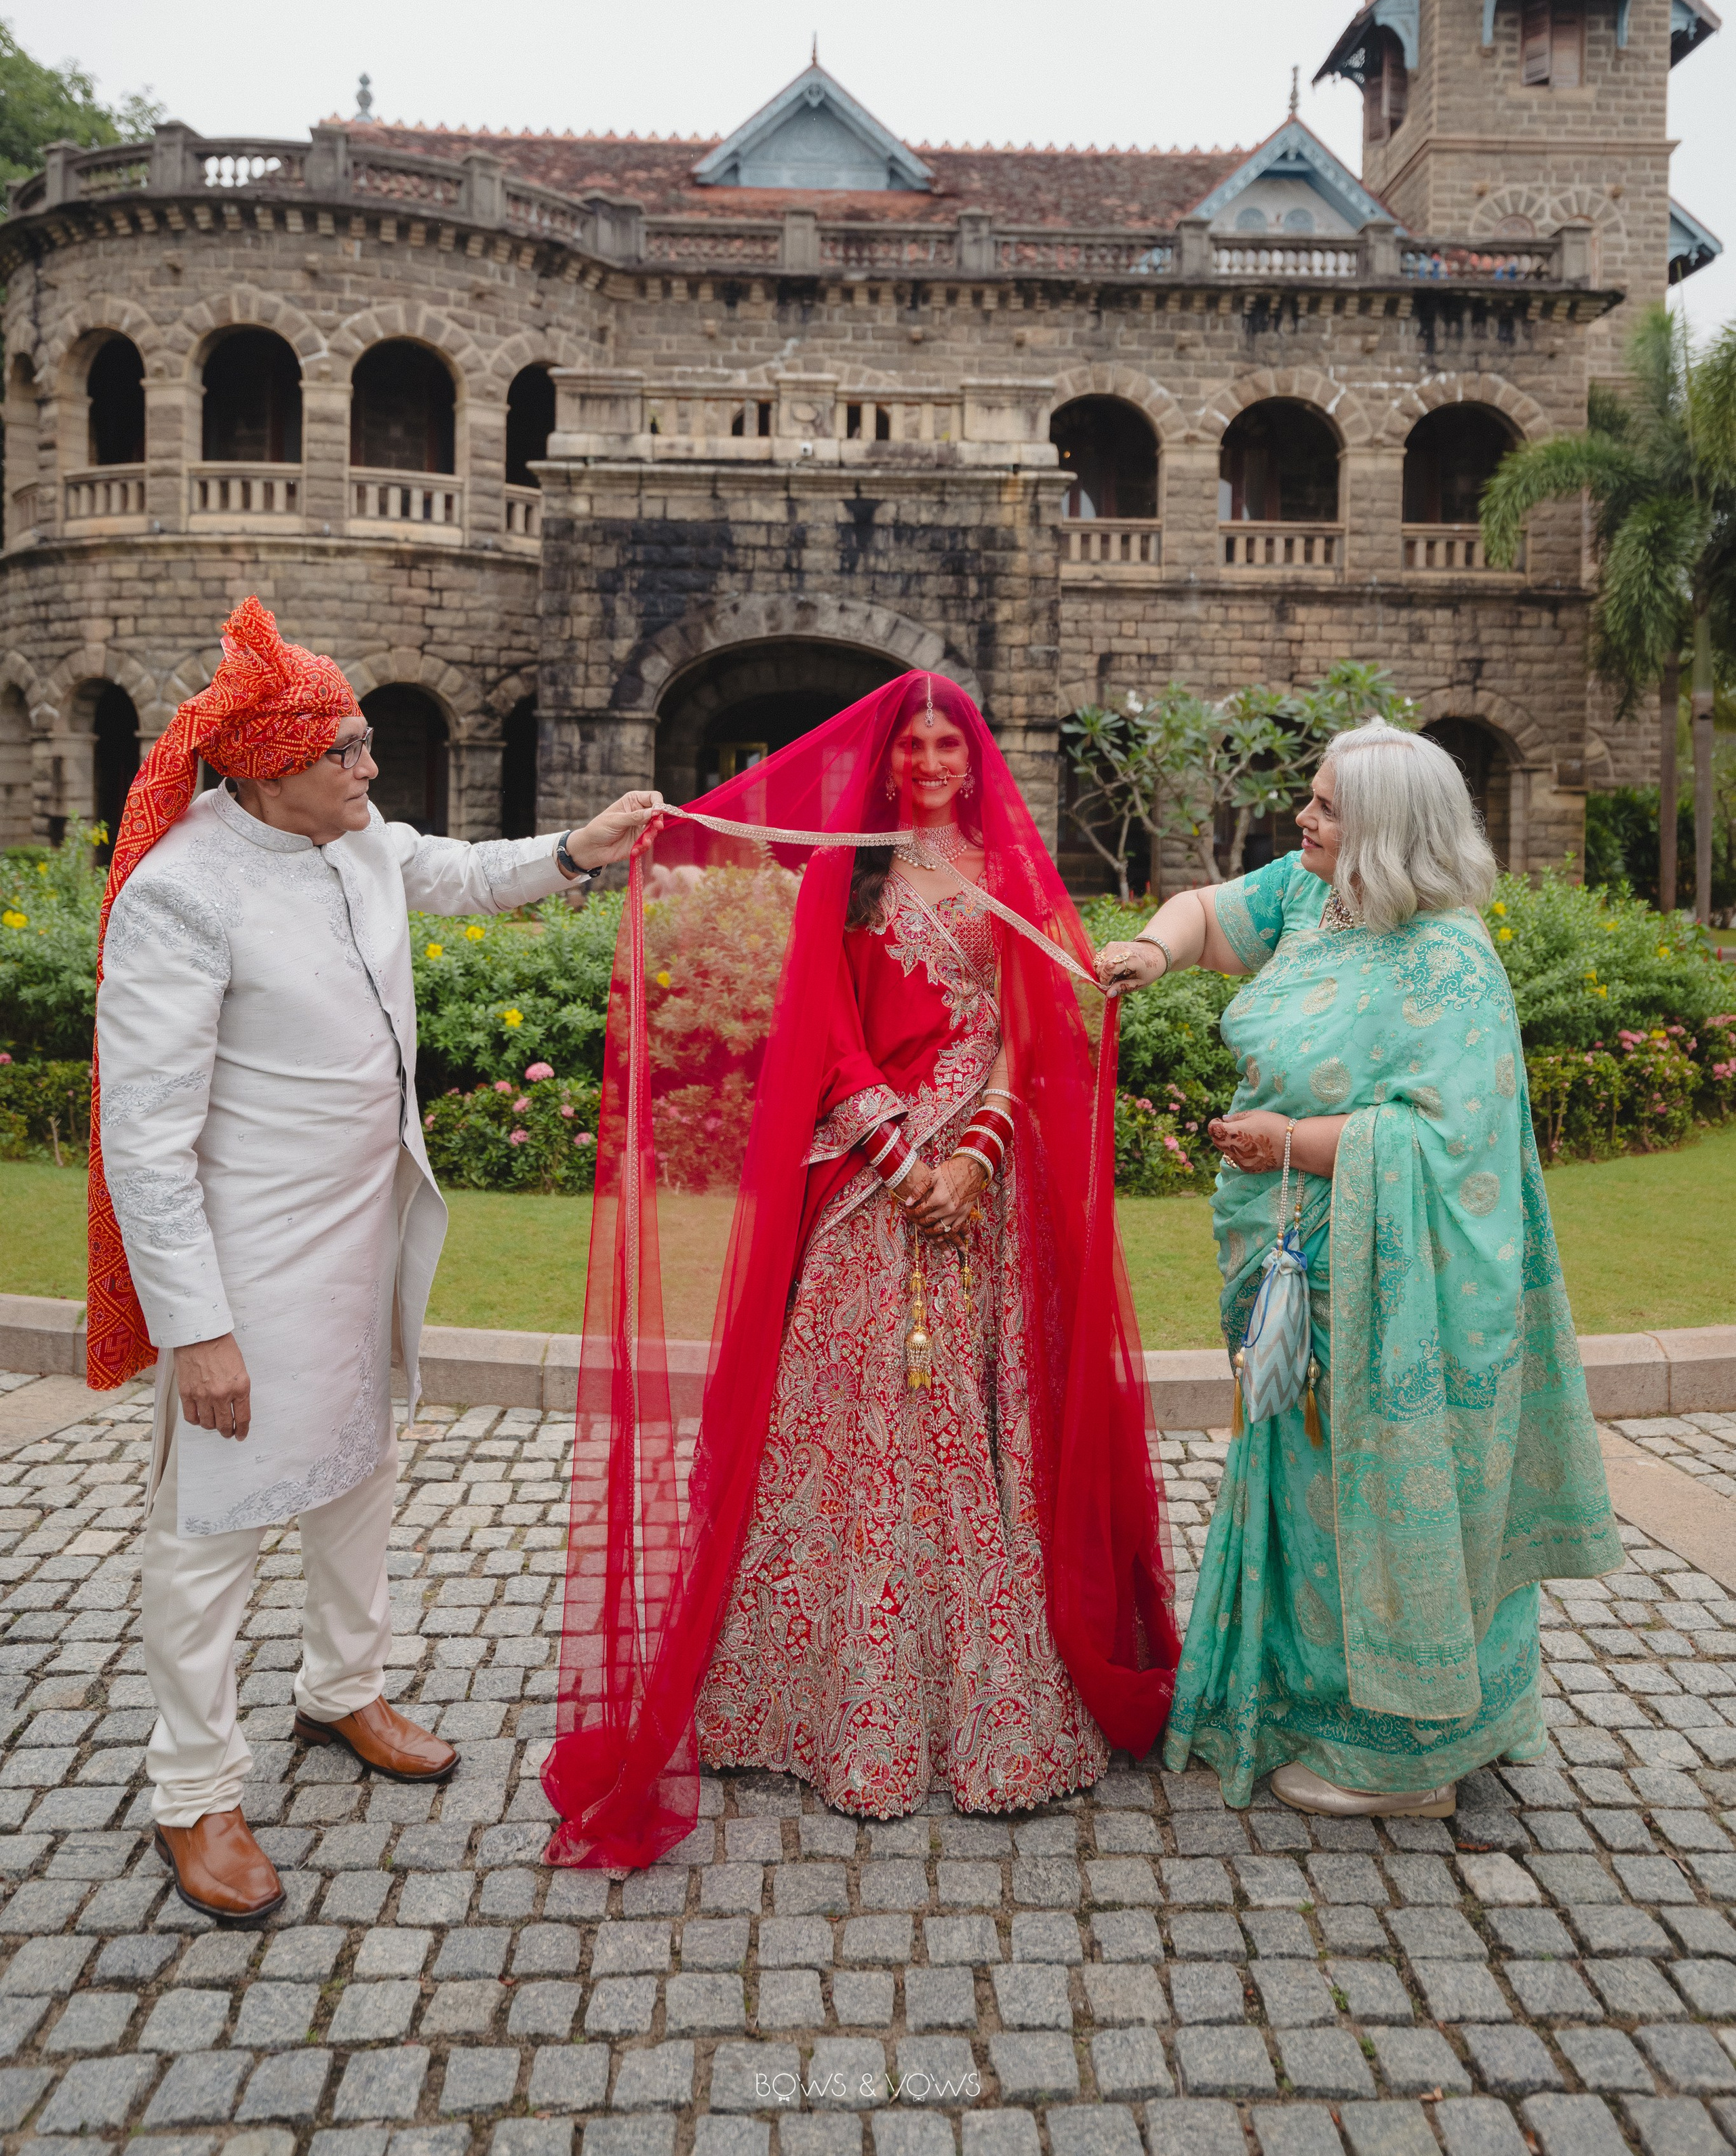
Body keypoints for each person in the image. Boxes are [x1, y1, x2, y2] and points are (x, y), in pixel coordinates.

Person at [544, 672, 1179, 1867]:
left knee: (974, 1427)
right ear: (887, 760)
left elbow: (1034, 1026)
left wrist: (979, 1154)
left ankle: (989, 1703)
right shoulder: (851, 866)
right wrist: (899, 1155)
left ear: (974, 755)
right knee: (853, 1421)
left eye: (951, 741)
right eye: (915, 743)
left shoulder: (1011, 872)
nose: (933, 760)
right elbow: (824, 1029)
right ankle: (814, 1703)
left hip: (984, 1189)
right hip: (867, 1169)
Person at [91, 596, 663, 1923]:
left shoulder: (351, 841)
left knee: (357, 1474)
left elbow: (457, 873)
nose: (371, 767)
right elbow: (143, 1141)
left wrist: (578, 849)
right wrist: (198, 1329)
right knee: (211, 1529)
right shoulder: (181, 893)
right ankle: (192, 1790)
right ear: (267, 765)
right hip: (244, 1274)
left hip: (362, 1244)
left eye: (363, 744)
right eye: (345, 749)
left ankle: (344, 1688)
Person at [1095, 719, 1619, 1818]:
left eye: (1328, 805)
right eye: (1313, 797)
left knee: (1371, 1491)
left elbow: (1449, 1148)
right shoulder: (1308, 893)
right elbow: (1204, 912)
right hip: (1297, 1267)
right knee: (1304, 1486)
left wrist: (1287, 1138)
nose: (1305, 816)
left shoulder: (1447, 957)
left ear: (1385, 828)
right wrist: (1152, 945)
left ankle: (1405, 1754)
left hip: (1398, 1286)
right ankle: (1306, 1703)